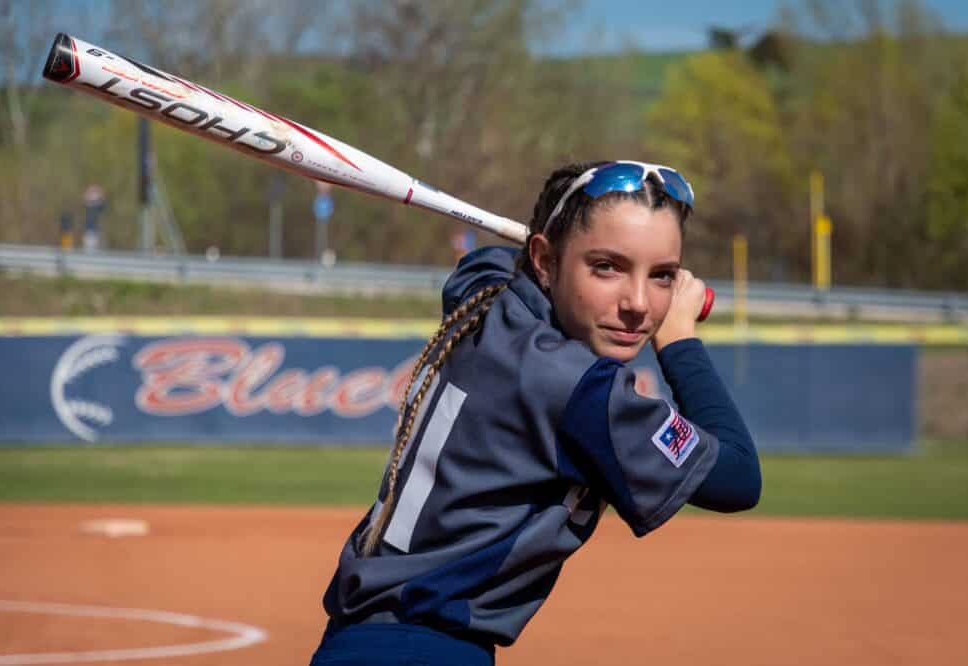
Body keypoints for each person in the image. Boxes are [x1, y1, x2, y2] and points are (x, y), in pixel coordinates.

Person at [309, 160, 762, 665]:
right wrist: (678, 339)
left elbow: (488, 263)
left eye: (661, 275)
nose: (638, 303)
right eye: (607, 267)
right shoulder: (579, 392)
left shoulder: (485, 297)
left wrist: (562, 247)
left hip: (359, 642)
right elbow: (739, 477)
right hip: (425, 650)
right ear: (544, 262)